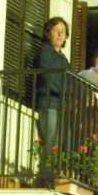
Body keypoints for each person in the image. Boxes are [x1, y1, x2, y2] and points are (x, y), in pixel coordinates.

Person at [35, 16, 71, 177]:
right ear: (48, 33)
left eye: (63, 32)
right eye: (56, 31)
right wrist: (65, 89)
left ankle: (59, 176)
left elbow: (71, 81)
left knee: (64, 141)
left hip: (61, 104)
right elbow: (49, 78)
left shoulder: (63, 59)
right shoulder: (45, 52)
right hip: (48, 103)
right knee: (51, 141)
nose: (60, 34)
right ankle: (46, 177)